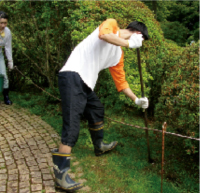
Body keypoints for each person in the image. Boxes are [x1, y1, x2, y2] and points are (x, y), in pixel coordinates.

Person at [52, 18, 149, 191]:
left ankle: (99, 146)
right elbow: (104, 35)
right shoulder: (111, 25)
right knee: (72, 126)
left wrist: (136, 99)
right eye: (141, 40)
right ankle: (61, 174)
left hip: (85, 83)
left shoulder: (118, 54)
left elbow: (121, 83)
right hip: (72, 75)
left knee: (96, 108)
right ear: (137, 33)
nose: (140, 44)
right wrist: (128, 43)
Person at [0, 11, 13, 105]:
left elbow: (8, 47)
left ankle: (6, 96)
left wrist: (10, 61)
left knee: (4, 75)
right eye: (1, 23)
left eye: (5, 23)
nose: (3, 25)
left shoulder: (7, 32)